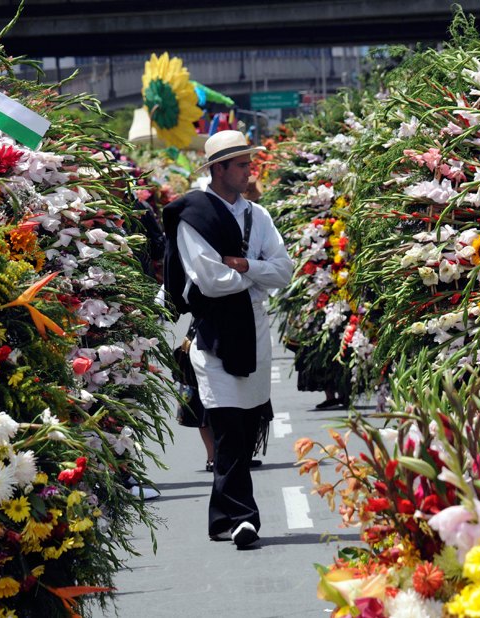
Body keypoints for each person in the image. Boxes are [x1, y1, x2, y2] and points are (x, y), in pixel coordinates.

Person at [162, 130, 292, 548]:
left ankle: (220, 517)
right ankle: (243, 518)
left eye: (248, 163)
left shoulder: (259, 215)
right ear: (218, 170)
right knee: (228, 427)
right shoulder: (193, 215)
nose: (248, 171)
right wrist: (256, 273)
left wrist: (241, 265)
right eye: (240, 165)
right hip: (214, 333)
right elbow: (209, 280)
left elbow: (284, 271)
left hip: (254, 331)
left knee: (247, 420)